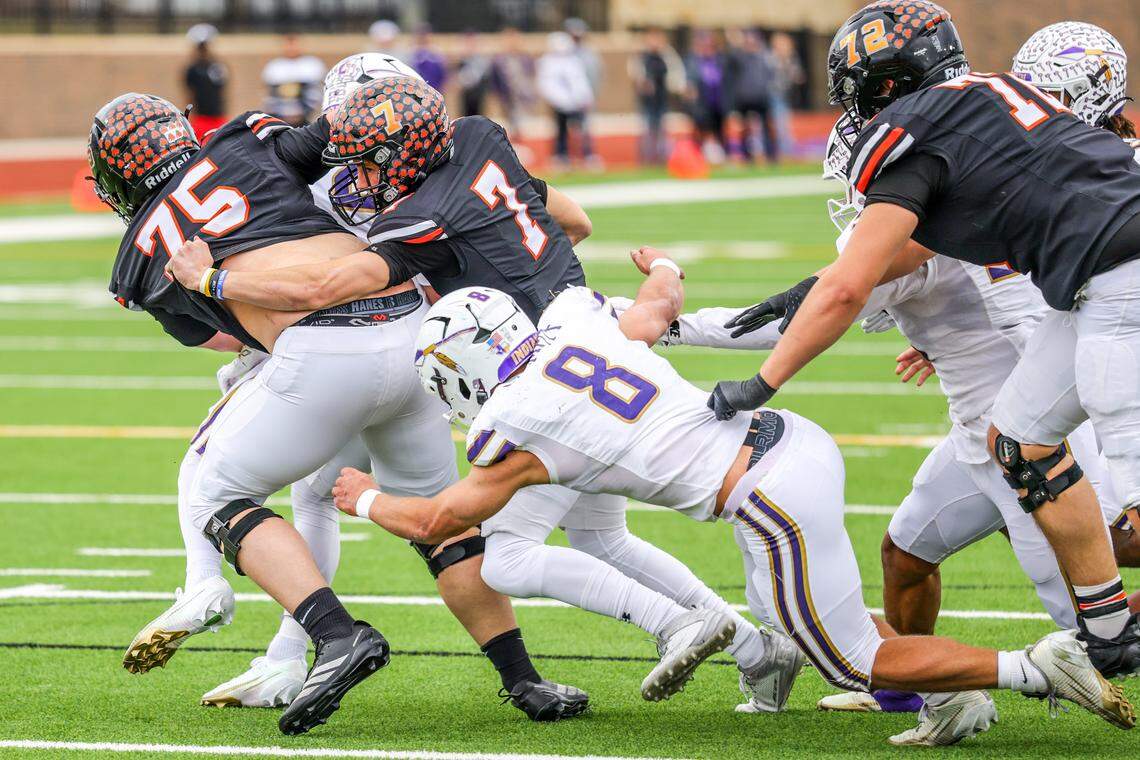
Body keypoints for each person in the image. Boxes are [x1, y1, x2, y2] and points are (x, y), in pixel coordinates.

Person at [165, 75, 803, 714]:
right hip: (583, 319)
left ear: (400, 150)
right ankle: (757, 652)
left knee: (508, 559)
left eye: (365, 158)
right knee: (603, 538)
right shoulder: (479, 137)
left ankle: (681, 625)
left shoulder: (418, 217)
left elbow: (327, 286)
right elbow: (573, 221)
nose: (357, 175)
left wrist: (215, 278)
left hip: (550, 378)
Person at [331, 270, 1135, 746]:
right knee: (793, 617)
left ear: (459, 374)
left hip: (763, 496)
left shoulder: (515, 422)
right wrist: (664, 263)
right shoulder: (574, 319)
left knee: (852, 658)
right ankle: (953, 700)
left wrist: (363, 495)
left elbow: (441, 523)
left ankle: (1032, 669)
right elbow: (659, 299)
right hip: (787, 442)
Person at [120, 54, 588, 723]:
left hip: (324, 348)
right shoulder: (260, 142)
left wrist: (215, 282)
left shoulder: (147, 243)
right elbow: (563, 217)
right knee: (440, 528)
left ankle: (331, 634)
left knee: (218, 494)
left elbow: (234, 324)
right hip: (414, 336)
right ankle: (523, 679)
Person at [709, 0, 1140, 679]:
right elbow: (914, 253)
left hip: (1120, 281)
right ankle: (1111, 625)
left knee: (1130, 511)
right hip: (1084, 289)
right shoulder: (991, 96)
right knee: (1021, 439)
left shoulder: (912, 133)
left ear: (884, 88)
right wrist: (820, 283)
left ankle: (1104, 623)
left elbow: (857, 287)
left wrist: (764, 381)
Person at [536, 32, 595, 169]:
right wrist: (560, 100)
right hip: (560, 104)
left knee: (582, 129)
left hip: (577, 103)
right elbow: (547, 85)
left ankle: (586, 155)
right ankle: (561, 156)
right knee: (561, 131)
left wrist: (585, 97)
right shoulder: (547, 62)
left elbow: (580, 81)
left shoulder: (573, 61)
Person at [628, 27, 685, 164]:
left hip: (662, 98)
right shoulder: (642, 56)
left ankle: (662, 157)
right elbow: (634, 73)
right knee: (647, 128)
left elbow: (676, 72)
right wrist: (642, 83)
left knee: (662, 129)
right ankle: (647, 158)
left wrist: (678, 87)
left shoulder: (667, 55)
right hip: (647, 100)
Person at [725, 29, 778, 164]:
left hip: (761, 97)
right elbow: (731, 58)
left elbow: (770, 76)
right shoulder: (741, 57)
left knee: (766, 128)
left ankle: (770, 154)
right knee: (744, 129)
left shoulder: (763, 57)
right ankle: (746, 155)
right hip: (744, 98)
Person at [684, 30, 729, 163]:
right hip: (702, 104)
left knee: (719, 130)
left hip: (718, 102)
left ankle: (721, 156)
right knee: (702, 130)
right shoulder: (694, 61)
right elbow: (690, 82)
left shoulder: (720, 60)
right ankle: (700, 157)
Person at [261, 34, 325, 127]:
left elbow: (316, 93)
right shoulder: (273, 66)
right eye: (288, 45)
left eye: (294, 45)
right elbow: (271, 95)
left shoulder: (313, 65)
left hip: (306, 117)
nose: (291, 48)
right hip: (279, 116)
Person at [183, 24, 228, 141]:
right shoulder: (192, 70)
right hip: (200, 118)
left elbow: (222, 91)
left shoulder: (218, 67)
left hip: (218, 117)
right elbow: (189, 94)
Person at [491, 27, 535, 136]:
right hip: (507, 98)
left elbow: (530, 77)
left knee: (524, 125)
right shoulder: (499, 60)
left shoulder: (525, 59)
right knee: (510, 125)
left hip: (523, 98)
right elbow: (495, 81)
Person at [455, 31, 494, 117]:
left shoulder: (482, 61)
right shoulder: (462, 60)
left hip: (478, 96)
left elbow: (486, 79)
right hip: (466, 96)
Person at [408, 24, 447, 93]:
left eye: (424, 35)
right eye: (420, 35)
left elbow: (442, 72)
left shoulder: (435, 51)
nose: (423, 37)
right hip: (415, 88)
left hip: (435, 88)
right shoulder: (411, 51)